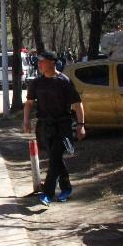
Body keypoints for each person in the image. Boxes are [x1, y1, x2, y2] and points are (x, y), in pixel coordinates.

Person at [23, 51, 86, 206]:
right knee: (55, 158)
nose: (39, 65)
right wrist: (26, 121)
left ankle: (47, 194)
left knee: (55, 158)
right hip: (44, 126)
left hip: (62, 125)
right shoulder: (36, 83)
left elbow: (78, 104)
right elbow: (29, 103)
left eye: (42, 62)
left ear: (52, 62)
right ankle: (66, 187)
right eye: (38, 62)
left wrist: (81, 125)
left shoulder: (64, 81)